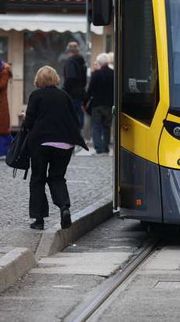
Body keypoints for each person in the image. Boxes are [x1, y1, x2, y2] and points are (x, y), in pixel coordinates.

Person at [23, 66, 87, 230]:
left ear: (39, 80)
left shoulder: (36, 95)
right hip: (64, 144)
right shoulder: (64, 95)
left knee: (38, 179)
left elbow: (29, 121)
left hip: (41, 144)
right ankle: (64, 207)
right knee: (57, 177)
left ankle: (39, 219)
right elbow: (75, 120)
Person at [85, 53, 115, 155]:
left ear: (99, 63)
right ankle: (105, 147)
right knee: (107, 126)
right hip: (109, 105)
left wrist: (85, 102)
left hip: (96, 105)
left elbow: (90, 90)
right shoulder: (113, 74)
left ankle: (99, 148)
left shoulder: (95, 74)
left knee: (96, 126)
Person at [62, 41, 87, 129]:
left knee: (72, 116)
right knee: (79, 114)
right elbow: (84, 80)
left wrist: (64, 90)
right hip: (80, 93)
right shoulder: (82, 61)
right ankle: (79, 135)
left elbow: (70, 78)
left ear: (69, 51)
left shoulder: (70, 61)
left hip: (71, 94)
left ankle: (73, 136)